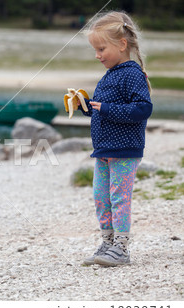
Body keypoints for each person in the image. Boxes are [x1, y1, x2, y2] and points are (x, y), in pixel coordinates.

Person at [78, 11, 153, 266]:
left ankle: (121, 248)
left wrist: (106, 109)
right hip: (104, 149)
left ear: (122, 45)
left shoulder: (132, 74)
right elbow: (105, 107)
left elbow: (143, 109)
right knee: (101, 197)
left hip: (124, 149)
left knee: (119, 197)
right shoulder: (110, 74)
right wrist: (88, 107)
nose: (97, 55)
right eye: (95, 50)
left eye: (101, 49)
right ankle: (107, 243)